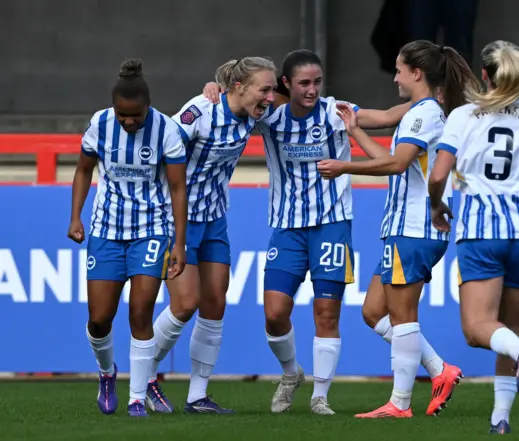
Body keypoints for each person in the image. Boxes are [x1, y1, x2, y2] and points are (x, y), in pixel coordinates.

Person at [202, 48, 411, 415]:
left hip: (332, 224)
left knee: (326, 314)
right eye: (303, 83)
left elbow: (390, 116)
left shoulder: (335, 111)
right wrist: (214, 88)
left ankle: (320, 397)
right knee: (275, 312)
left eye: (317, 82)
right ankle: (290, 374)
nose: (312, 90)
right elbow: (238, 100)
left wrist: (432, 102)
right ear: (286, 84)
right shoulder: (269, 117)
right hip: (286, 228)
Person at [317, 40, 479, 418]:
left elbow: (396, 163)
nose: (395, 77)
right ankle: (440, 370)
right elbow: (395, 161)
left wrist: (345, 167)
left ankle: (399, 404)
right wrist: (355, 132)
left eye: (399, 70)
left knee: (404, 316)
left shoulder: (425, 115)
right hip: (402, 229)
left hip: (416, 228)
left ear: (416, 74)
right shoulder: (419, 112)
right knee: (374, 311)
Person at [427, 40, 519, 434]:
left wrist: (436, 205)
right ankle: (500, 419)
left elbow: (438, 174)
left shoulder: (462, 116)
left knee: (478, 330)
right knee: (508, 327)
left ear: (486, 75)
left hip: (480, 233)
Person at [145, 56, 278, 414]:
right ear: (239, 87)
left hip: (215, 218)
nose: (270, 96)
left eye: (272, 89)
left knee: (215, 303)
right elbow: (160, 147)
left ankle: (197, 396)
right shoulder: (201, 111)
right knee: (185, 303)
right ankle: (143, 375)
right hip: (177, 221)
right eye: (264, 89)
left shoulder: (257, 113)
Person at [68, 59, 187, 417]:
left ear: (147, 107)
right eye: (123, 115)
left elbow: (178, 189)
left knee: (141, 312)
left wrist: (178, 243)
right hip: (106, 230)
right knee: (99, 318)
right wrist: (75, 216)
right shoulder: (99, 124)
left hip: (150, 230)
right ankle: (107, 374)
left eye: (135, 115)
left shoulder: (166, 130)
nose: (128, 121)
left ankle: (137, 396)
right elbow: (83, 169)